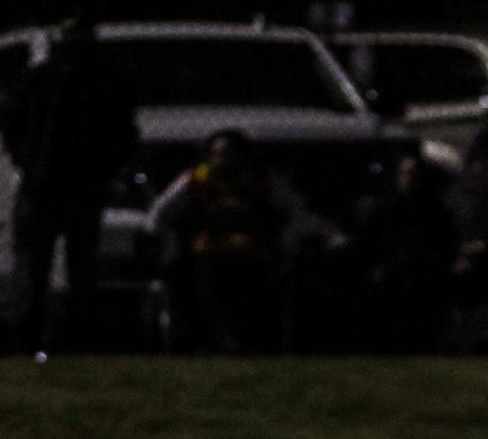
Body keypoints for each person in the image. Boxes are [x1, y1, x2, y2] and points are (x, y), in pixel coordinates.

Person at [1, 16, 138, 356]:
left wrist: (28, 162)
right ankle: (62, 341)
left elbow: (11, 126)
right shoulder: (93, 82)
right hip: (65, 187)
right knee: (65, 270)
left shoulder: (48, 81)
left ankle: (42, 342)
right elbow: (125, 133)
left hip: (57, 187)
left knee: (45, 269)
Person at [147, 130, 343, 352]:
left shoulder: (262, 178)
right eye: (219, 154)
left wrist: (289, 241)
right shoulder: (197, 178)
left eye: (231, 153)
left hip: (253, 252)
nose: (224, 160)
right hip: (210, 250)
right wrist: (159, 240)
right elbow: (162, 209)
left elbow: (295, 207)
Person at [356, 155, 456, 352]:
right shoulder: (385, 210)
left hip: (424, 281)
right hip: (391, 281)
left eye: (413, 174)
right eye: (405, 174)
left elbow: (447, 244)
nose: (409, 179)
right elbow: (369, 244)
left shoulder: (434, 212)